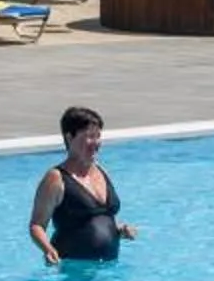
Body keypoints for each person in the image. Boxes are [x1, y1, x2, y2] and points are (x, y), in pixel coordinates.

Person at [27, 105, 136, 264]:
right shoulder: (56, 178)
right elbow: (37, 225)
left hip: (108, 268)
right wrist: (48, 249)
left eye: (98, 136)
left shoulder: (101, 171)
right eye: (89, 136)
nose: (96, 143)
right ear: (69, 138)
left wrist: (119, 229)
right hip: (73, 267)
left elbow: (100, 218)